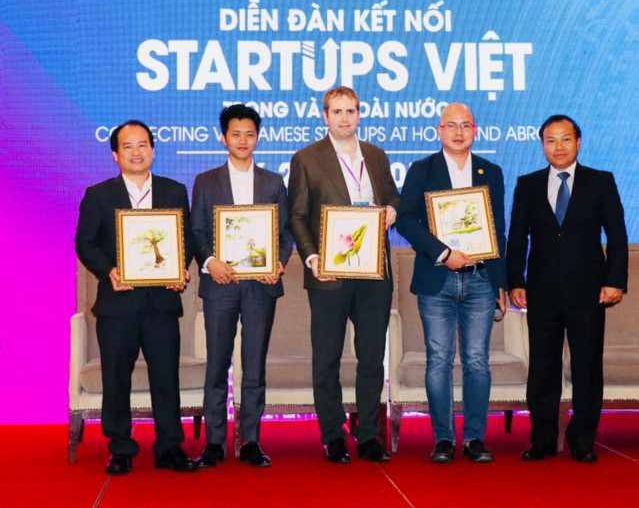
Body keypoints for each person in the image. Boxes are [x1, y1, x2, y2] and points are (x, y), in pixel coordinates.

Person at [75, 120, 198, 474]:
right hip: (117, 304)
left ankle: (169, 447)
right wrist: (110, 270)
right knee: (116, 379)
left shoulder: (174, 191)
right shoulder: (98, 194)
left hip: (161, 303)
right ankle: (120, 448)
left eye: (143, 144)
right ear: (115, 154)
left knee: (166, 377)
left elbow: (186, 238)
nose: (136, 152)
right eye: (127, 146)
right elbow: (85, 242)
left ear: (153, 150)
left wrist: (180, 268)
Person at [506, 114, 628, 463]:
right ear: (542, 145)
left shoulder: (601, 181)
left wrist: (615, 281)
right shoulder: (527, 184)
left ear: (578, 143)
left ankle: (582, 440)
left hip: (588, 291)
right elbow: (518, 237)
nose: (558, 147)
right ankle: (542, 440)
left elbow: (616, 235)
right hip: (541, 290)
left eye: (565, 139)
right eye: (550, 140)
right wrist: (515, 281)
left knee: (587, 366)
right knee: (542, 368)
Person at [287, 86, 398, 463]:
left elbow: (392, 196)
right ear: (325, 116)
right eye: (337, 111)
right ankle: (333, 435)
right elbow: (297, 215)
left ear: (359, 114)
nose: (345, 118)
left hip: (373, 272)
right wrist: (311, 256)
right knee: (327, 358)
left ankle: (368, 435)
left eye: (351, 111)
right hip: (329, 273)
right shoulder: (306, 158)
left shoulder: (376, 156)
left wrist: (392, 210)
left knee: (372, 358)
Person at [396, 103, 507, 463]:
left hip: (481, 280)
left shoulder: (490, 172)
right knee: (438, 361)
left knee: (477, 361)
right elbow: (406, 221)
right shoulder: (421, 170)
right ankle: (443, 438)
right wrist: (444, 253)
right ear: (439, 131)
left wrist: (501, 282)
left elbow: (498, 229)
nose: (459, 132)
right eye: (451, 126)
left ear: (475, 130)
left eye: (465, 126)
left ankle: (474, 438)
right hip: (437, 279)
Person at [191, 104, 293, 468]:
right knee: (216, 364)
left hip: (260, 286)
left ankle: (250, 440)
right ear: (223, 138)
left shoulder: (272, 182)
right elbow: (196, 231)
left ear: (257, 137)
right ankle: (214, 442)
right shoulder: (206, 181)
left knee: (254, 364)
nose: (243, 140)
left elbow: (284, 233)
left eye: (250, 134)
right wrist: (210, 262)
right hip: (220, 283)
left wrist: (278, 263)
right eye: (236, 134)